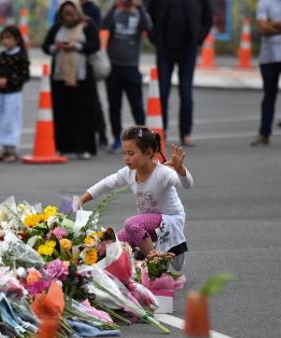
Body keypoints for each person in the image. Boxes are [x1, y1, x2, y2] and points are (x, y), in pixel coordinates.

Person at [79, 126, 193, 270]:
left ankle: (154, 261)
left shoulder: (162, 173)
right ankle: (144, 256)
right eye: (124, 153)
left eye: (131, 153)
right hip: (146, 224)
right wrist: (81, 199)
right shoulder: (129, 172)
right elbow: (107, 183)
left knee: (132, 224)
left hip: (170, 220)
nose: (126, 158)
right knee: (111, 245)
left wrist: (180, 169)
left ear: (149, 153)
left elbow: (187, 184)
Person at [147, 0, 212, 147]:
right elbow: (148, 14)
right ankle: (160, 133)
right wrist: (154, 37)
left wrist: (198, 39)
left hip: (188, 50)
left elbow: (208, 20)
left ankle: (186, 134)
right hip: (165, 49)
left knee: (186, 92)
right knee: (162, 92)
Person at [42, 0, 100, 159]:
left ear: (77, 12)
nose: (68, 16)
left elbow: (96, 45)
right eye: (65, 13)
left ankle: (84, 148)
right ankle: (63, 147)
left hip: (81, 77)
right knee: (62, 112)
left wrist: (78, 46)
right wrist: (56, 47)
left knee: (82, 112)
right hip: (60, 77)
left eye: (71, 13)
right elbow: (46, 46)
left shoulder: (87, 25)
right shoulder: (57, 26)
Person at [102, 0, 152, 153]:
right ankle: (117, 139)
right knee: (114, 106)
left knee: (137, 106)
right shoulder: (116, 13)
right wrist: (115, 5)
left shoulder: (139, 14)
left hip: (131, 67)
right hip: (114, 67)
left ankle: (144, 140)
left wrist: (140, 7)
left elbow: (148, 27)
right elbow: (104, 25)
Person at [0, 26, 30, 162]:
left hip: (13, 93)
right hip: (0, 93)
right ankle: (5, 149)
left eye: (8, 38)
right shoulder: (1, 56)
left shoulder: (21, 56)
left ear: (17, 40)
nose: (5, 41)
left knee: (11, 120)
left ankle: (12, 149)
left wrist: (9, 81)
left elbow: (25, 75)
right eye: (3, 38)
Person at [251, 0, 281, 146]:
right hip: (268, 57)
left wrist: (272, 23)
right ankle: (264, 134)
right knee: (269, 96)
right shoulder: (265, 2)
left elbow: (266, 27)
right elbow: (261, 28)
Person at [80, 0, 108, 147]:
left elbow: (96, 35)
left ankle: (101, 133)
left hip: (88, 61)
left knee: (93, 101)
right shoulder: (68, 9)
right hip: (73, 65)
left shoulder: (93, 9)